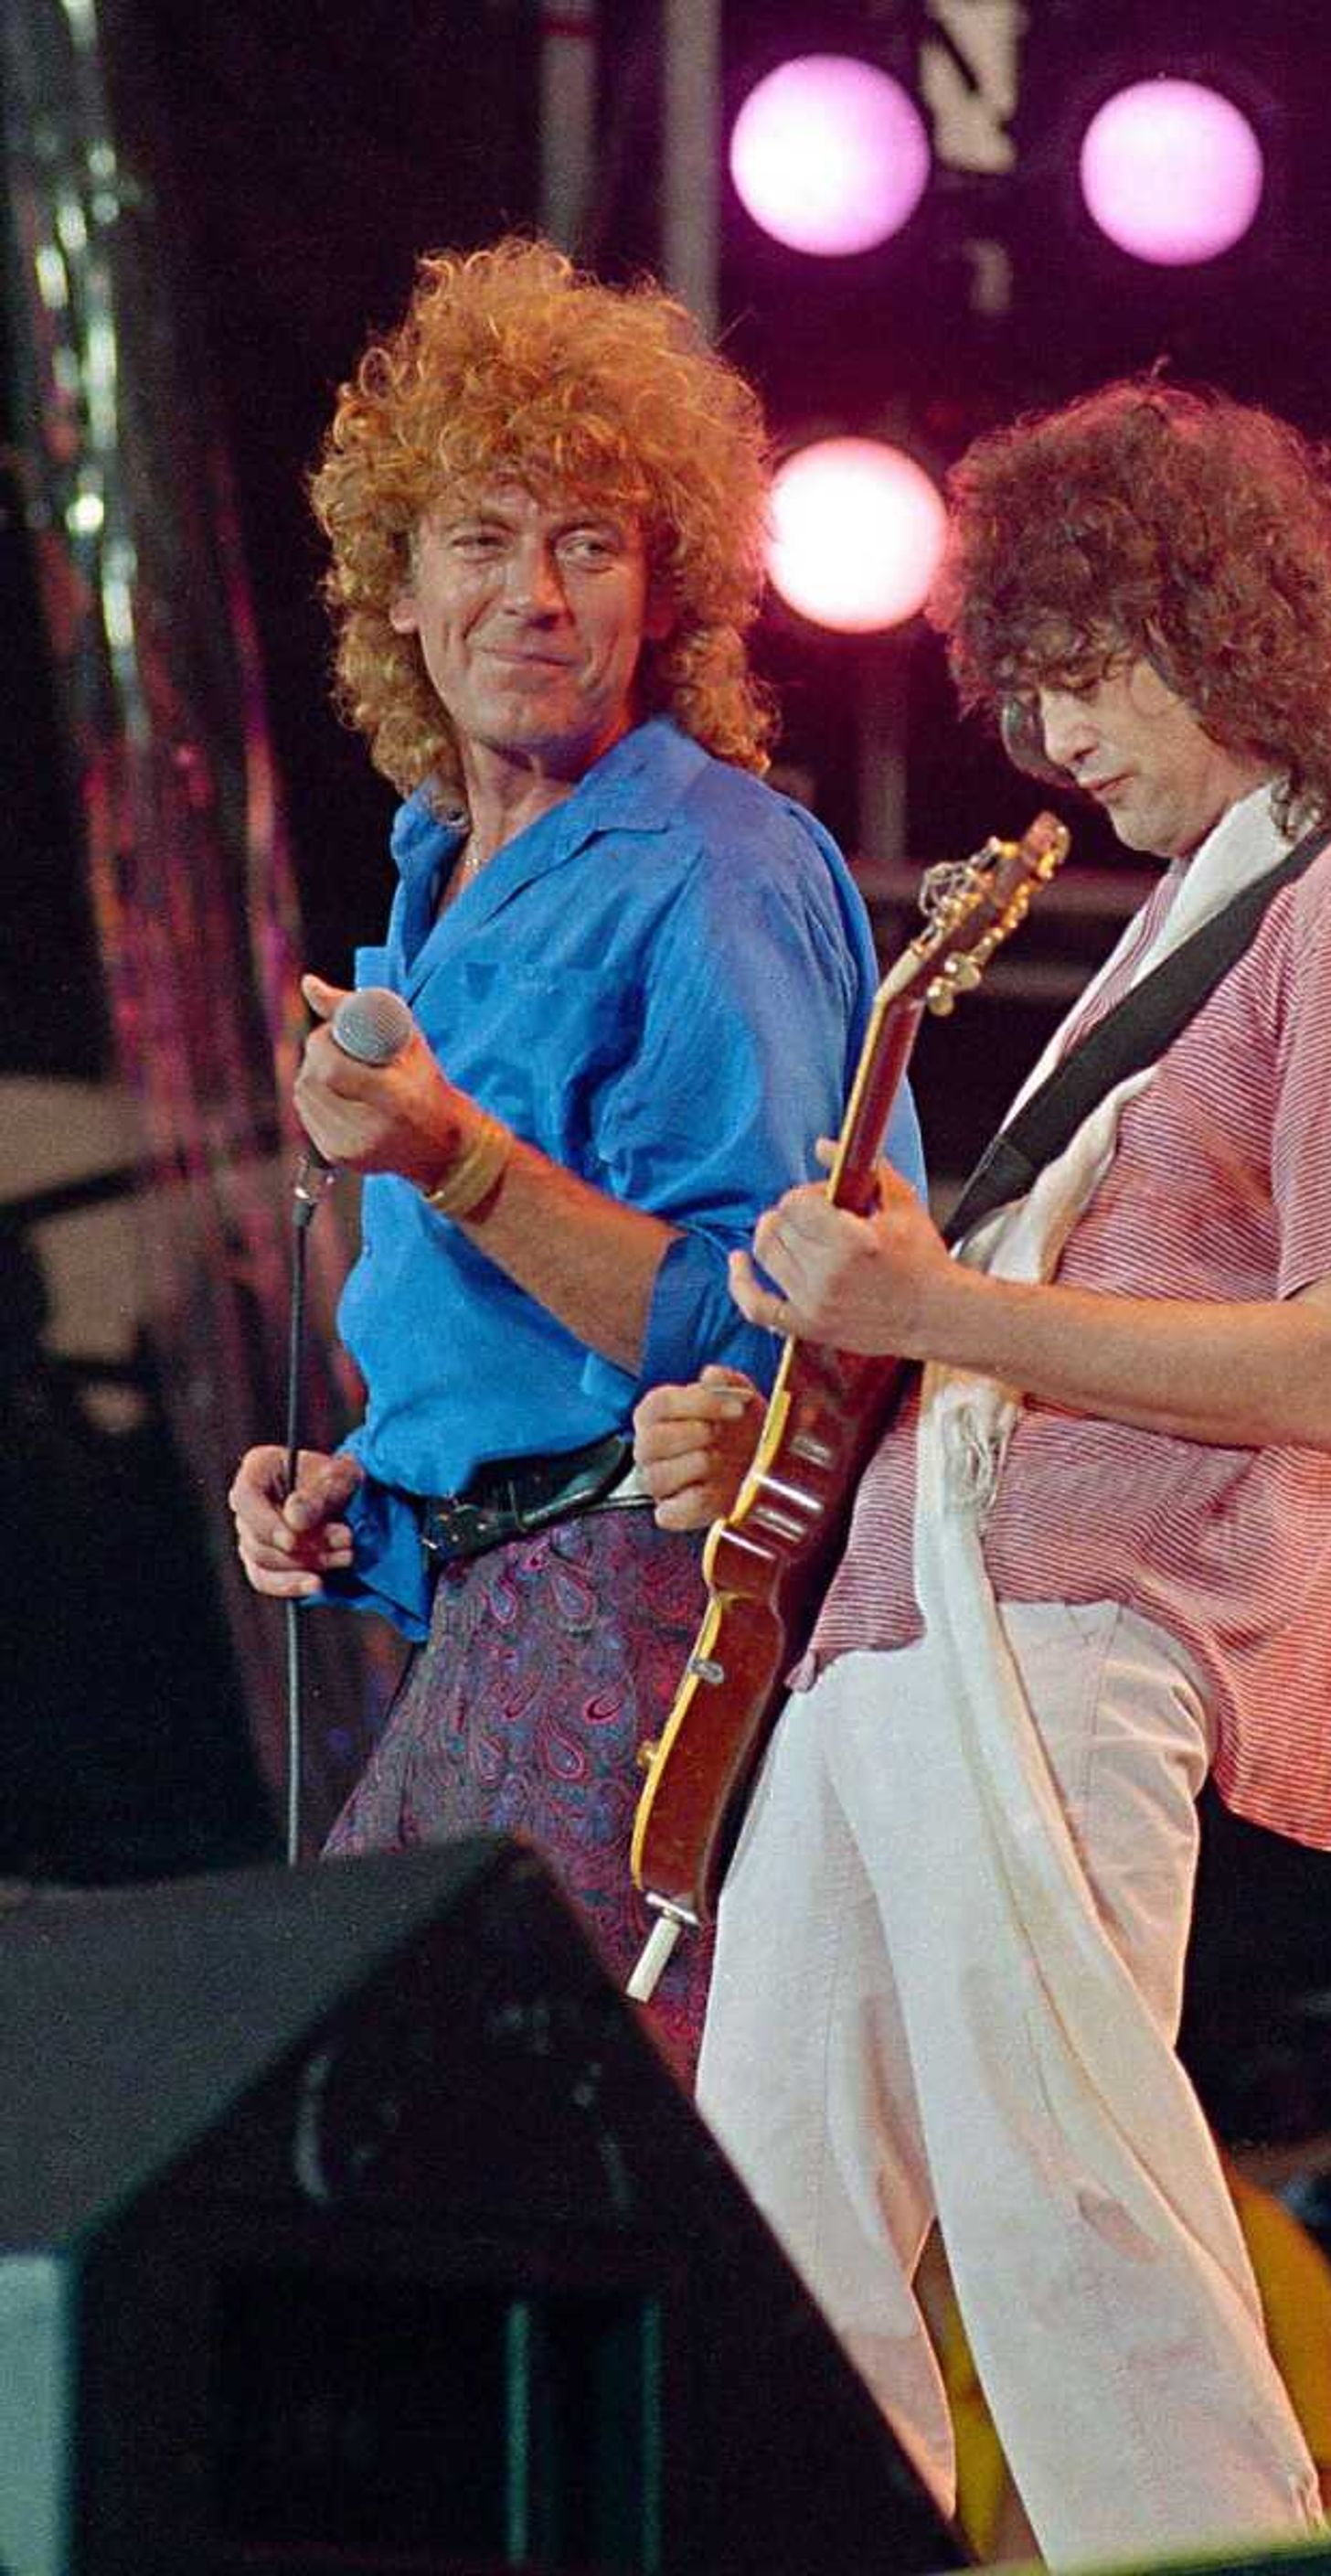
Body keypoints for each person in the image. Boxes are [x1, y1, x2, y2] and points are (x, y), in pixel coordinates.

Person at [635, 377, 1331, 2563]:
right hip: (894, 1632)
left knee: (1067, 2211)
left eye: (1078, 674)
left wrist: (932, 1315)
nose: (1055, 743)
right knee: (762, 2247)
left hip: (1064, 1637)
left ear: (1210, 622)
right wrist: (790, 1426)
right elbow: (996, 1321)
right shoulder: (1170, 928)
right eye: (1023, 694)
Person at [227, 239, 920, 2074]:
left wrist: (451, 1156)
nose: (532, 594)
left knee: (460, 2139)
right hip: (491, 1607)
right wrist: (361, 1492)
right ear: (398, 589)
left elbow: (766, 1334)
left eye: (588, 545)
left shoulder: (715, 866)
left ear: (659, 592)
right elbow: (520, 1370)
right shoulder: (431, 870)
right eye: (483, 539)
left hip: (635, 1624)